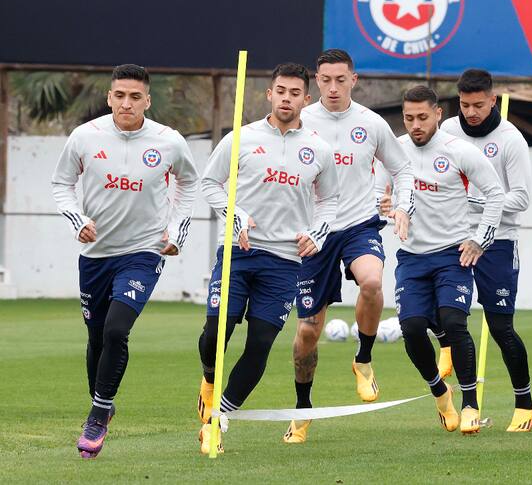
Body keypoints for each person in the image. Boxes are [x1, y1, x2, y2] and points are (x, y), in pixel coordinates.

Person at [51, 64, 199, 458]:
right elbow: (61, 183)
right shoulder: (85, 136)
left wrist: (176, 230)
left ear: (147, 100)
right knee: (97, 338)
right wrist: (78, 220)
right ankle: (102, 402)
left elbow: (189, 183)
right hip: (95, 254)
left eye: (135, 97)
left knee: (117, 330)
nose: (127, 103)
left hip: (143, 252)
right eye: (120, 95)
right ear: (109, 97)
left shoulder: (169, 141)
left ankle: (97, 415)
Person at [196, 63, 338, 453]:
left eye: (295, 93)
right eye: (281, 91)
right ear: (269, 94)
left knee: (260, 343)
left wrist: (318, 233)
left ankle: (218, 421)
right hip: (238, 252)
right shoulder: (241, 138)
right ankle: (208, 379)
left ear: (306, 99)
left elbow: (329, 201)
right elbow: (209, 183)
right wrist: (234, 214)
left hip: (285, 261)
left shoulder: (319, 149)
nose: (286, 98)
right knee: (217, 332)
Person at [285, 49, 414, 444]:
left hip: (359, 224)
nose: (333, 87)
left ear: (353, 80)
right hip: (314, 234)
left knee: (372, 282)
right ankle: (302, 409)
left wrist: (402, 206)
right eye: (325, 80)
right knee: (309, 330)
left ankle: (363, 359)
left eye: (341, 80)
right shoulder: (300, 122)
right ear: (316, 81)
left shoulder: (371, 123)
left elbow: (402, 168)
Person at [380, 85, 503, 434]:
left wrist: (480, 240)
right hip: (412, 258)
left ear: (437, 114)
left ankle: (470, 405)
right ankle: (439, 391)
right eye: (409, 118)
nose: (415, 125)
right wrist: (385, 206)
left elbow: (495, 194)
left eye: (422, 117)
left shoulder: (458, 151)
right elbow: (378, 193)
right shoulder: (395, 152)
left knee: (453, 322)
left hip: (452, 255)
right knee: (412, 328)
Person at [418, 69, 532, 432]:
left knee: (501, 328)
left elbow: (521, 198)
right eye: (465, 105)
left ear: (493, 101)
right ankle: (450, 358)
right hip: (451, 237)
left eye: (478, 105)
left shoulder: (511, 140)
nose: (471, 112)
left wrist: (479, 201)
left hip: (497, 241)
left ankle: (525, 405)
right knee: (441, 315)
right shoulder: (447, 130)